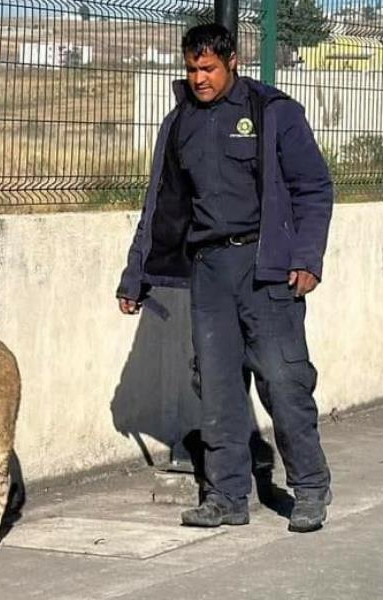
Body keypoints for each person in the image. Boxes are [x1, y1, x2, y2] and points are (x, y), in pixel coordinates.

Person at [117, 24, 333, 533]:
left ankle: (310, 488)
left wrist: (306, 257)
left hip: (267, 268)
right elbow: (160, 205)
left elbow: (313, 187)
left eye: (208, 68)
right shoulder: (179, 124)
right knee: (216, 390)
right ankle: (226, 496)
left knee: (283, 381)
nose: (198, 78)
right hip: (209, 271)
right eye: (191, 68)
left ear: (232, 61)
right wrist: (135, 276)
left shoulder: (272, 112)